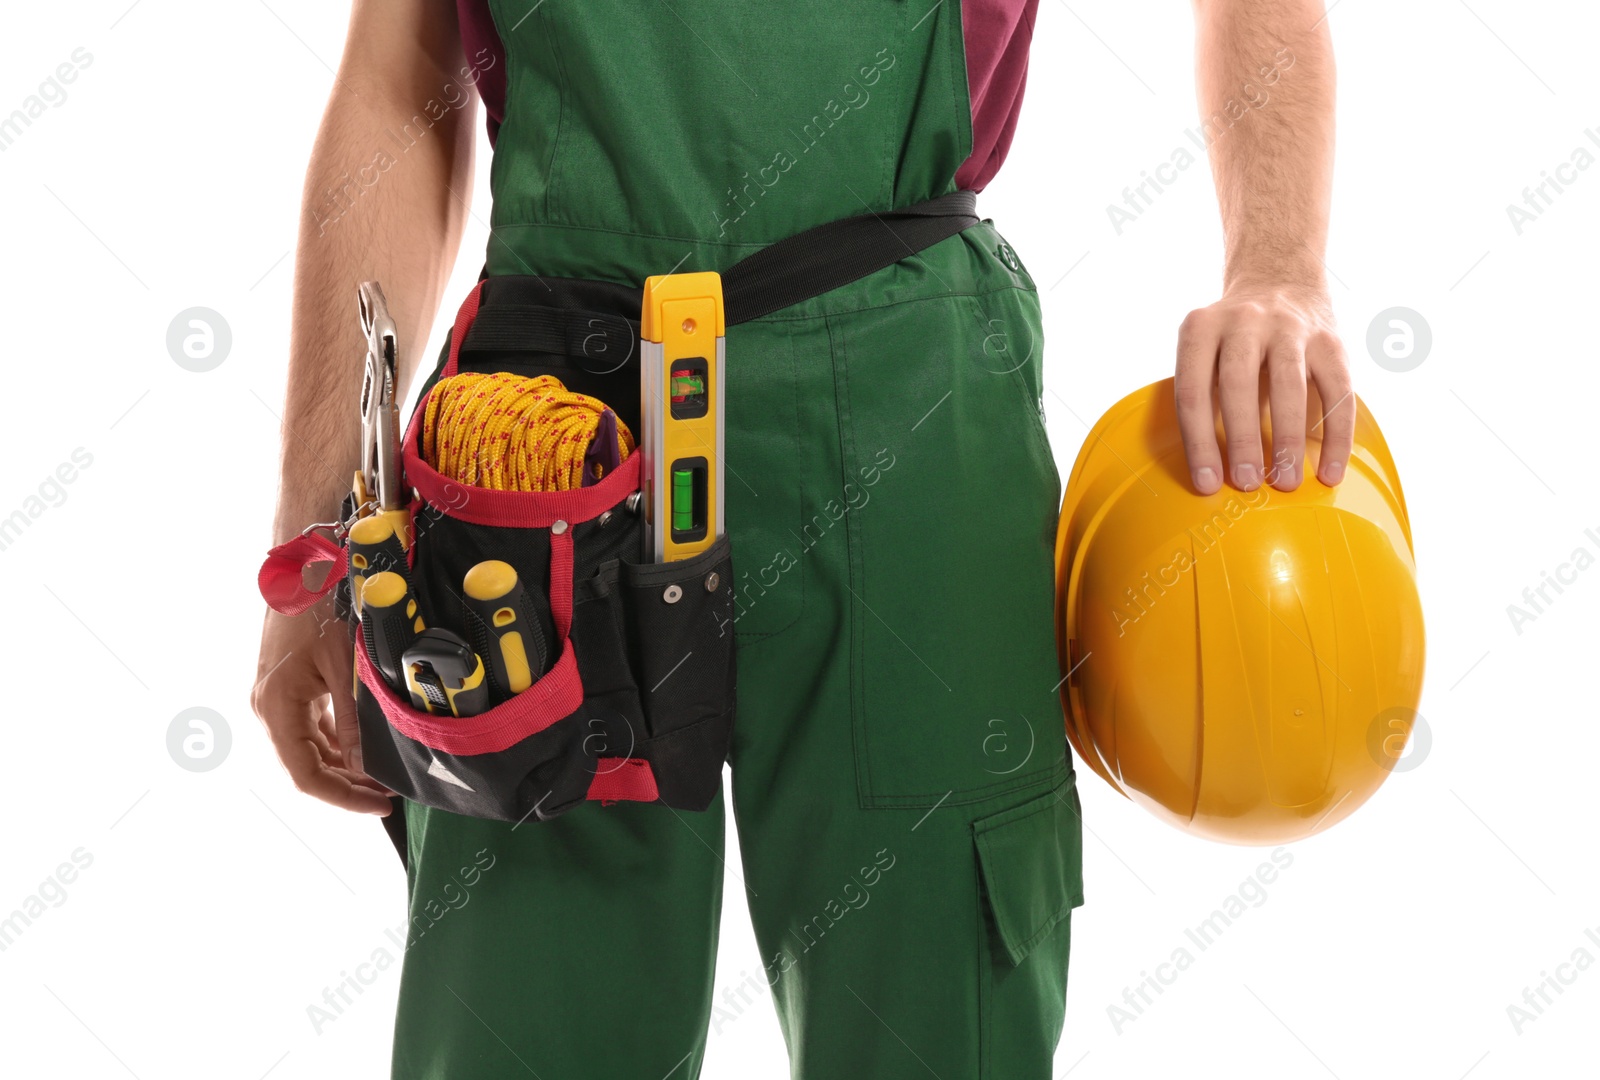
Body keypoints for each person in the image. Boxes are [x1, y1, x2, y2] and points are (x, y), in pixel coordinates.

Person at [251, 1, 1350, 1076]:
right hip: (546, 440)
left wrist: (1279, 271)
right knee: (528, 1015)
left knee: (935, 1011)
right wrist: (313, 544)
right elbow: (399, 87)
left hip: (907, 403)